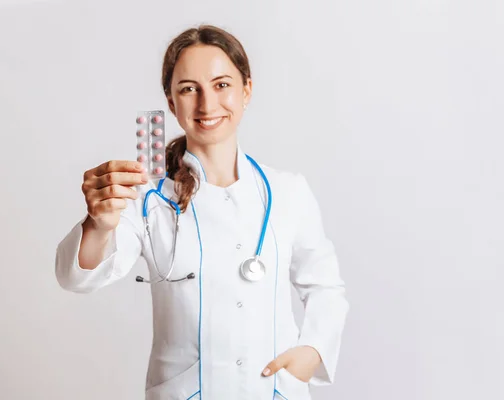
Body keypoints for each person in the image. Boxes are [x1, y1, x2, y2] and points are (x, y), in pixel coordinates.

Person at [55, 24, 349, 400]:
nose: (207, 105)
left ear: (247, 90)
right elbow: (77, 279)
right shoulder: (145, 196)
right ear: (171, 101)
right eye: (189, 89)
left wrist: (313, 351)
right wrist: (99, 223)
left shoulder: (288, 190)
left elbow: (325, 286)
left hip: (273, 391)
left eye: (222, 85)